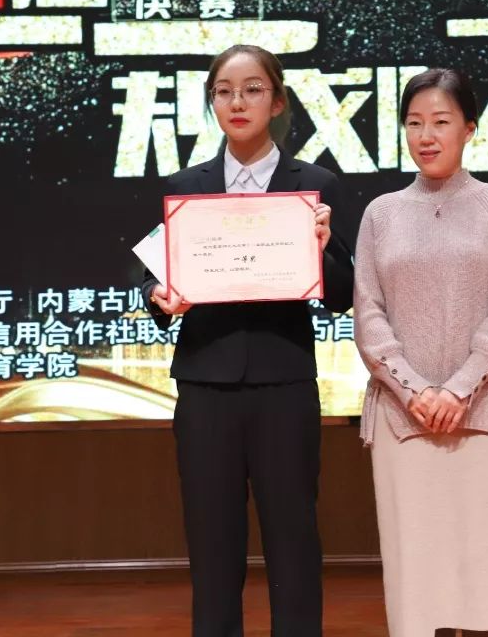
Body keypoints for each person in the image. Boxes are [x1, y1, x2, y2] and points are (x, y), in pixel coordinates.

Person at [140, 44, 355, 637]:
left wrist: (321, 247)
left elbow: (342, 294)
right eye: (224, 91)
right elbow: (153, 279)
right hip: (205, 384)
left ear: (277, 102)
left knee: (294, 539)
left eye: (253, 89)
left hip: (284, 383)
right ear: (212, 103)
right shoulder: (187, 186)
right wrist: (159, 295)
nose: (238, 101)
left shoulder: (315, 185)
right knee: (212, 543)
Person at [353, 68, 488, 637]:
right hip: (401, 416)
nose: (425, 136)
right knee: (416, 571)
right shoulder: (381, 213)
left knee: (481, 569)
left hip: (484, 414)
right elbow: (368, 314)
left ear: (469, 128)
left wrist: (458, 390)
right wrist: (415, 390)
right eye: (414, 123)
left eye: (440, 122)